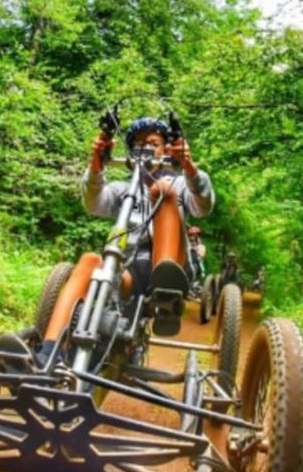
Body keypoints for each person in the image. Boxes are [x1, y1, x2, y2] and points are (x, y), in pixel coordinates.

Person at [81, 117, 214, 333]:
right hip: (129, 272)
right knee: (88, 262)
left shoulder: (179, 184)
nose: (146, 148)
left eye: (154, 143)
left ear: (167, 150)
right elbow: (93, 203)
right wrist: (95, 164)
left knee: (161, 188)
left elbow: (203, 206)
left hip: (172, 266)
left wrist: (188, 167)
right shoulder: (122, 189)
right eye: (140, 143)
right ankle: (48, 350)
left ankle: (166, 294)